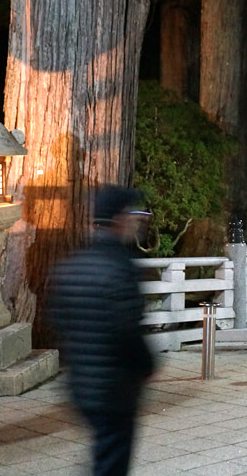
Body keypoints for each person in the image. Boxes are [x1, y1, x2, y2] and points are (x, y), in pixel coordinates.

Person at [48, 186, 155, 476]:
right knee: (111, 462)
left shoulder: (72, 265)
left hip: (81, 384)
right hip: (114, 387)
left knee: (104, 453)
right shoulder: (120, 267)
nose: (135, 223)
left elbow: (59, 319)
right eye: (132, 216)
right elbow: (128, 329)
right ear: (119, 219)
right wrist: (147, 365)